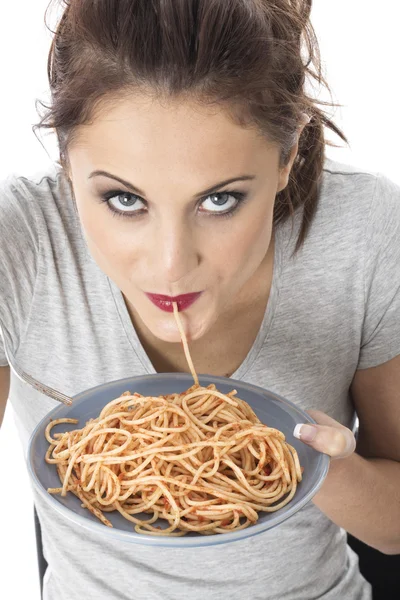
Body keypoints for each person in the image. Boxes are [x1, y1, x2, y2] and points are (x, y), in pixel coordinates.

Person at [0, 1, 399, 599]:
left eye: (220, 201)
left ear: (288, 157)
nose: (170, 264)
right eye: (123, 200)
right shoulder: (21, 242)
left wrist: (320, 466)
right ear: (65, 162)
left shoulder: (365, 232)